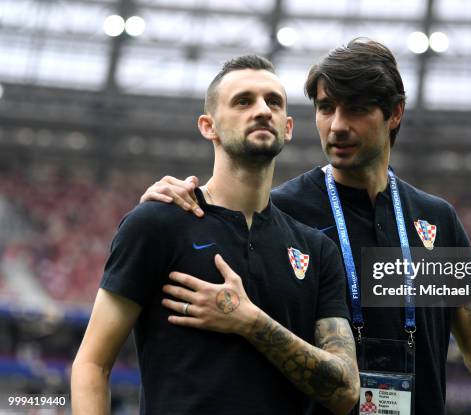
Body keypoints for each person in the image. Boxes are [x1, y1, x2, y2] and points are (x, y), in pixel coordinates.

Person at [140, 39, 471, 415]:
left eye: (356, 109)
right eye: (326, 108)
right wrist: (173, 196)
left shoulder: (434, 220)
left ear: (394, 114)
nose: (337, 126)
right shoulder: (282, 211)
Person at [71, 55, 360, 415]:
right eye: (243, 101)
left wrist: (250, 321)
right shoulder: (157, 223)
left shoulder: (317, 250)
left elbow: (346, 391)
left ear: (287, 128)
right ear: (209, 126)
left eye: (273, 101)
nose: (261, 110)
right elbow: (92, 365)